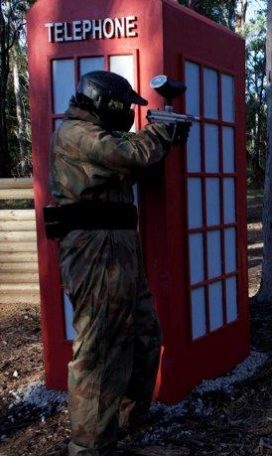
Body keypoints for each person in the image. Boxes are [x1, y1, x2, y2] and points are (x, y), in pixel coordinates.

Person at [45, 71, 190, 455]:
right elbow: (129, 154)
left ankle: (126, 424)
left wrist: (166, 140)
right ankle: (90, 446)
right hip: (94, 251)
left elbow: (141, 164)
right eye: (124, 105)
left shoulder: (97, 134)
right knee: (100, 348)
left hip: (119, 248)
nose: (128, 112)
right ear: (106, 103)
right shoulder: (76, 133)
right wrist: (161, 133)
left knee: (144, 336)